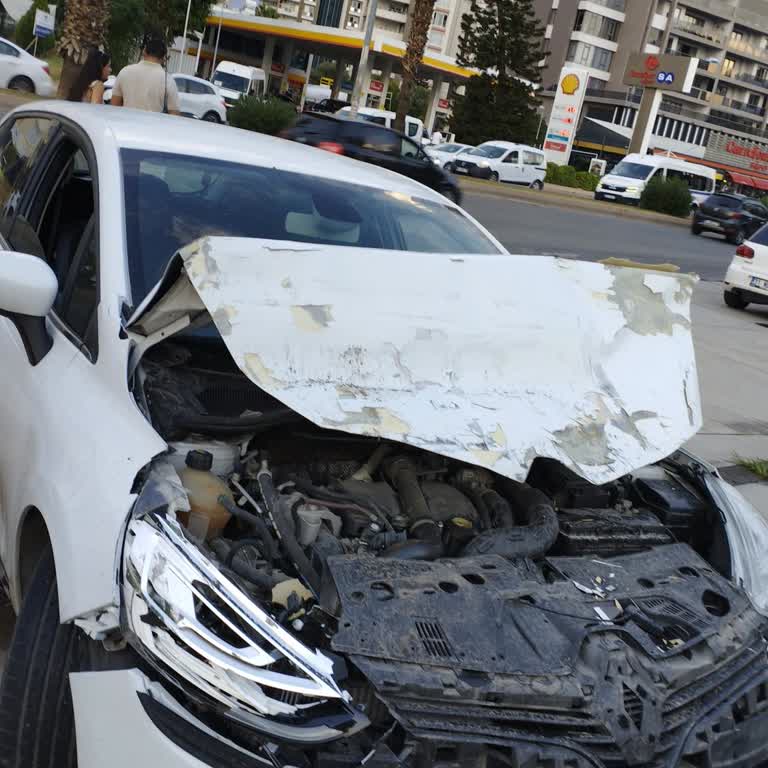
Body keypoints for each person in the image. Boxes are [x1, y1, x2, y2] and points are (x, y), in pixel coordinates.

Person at [110, 33, 180, 115]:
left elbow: (114, 104)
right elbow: (174, 114)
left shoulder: (125, 71)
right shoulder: (167, 80)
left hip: (125, 125)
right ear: (164, 58)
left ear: (144, 52)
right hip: (152, 127)